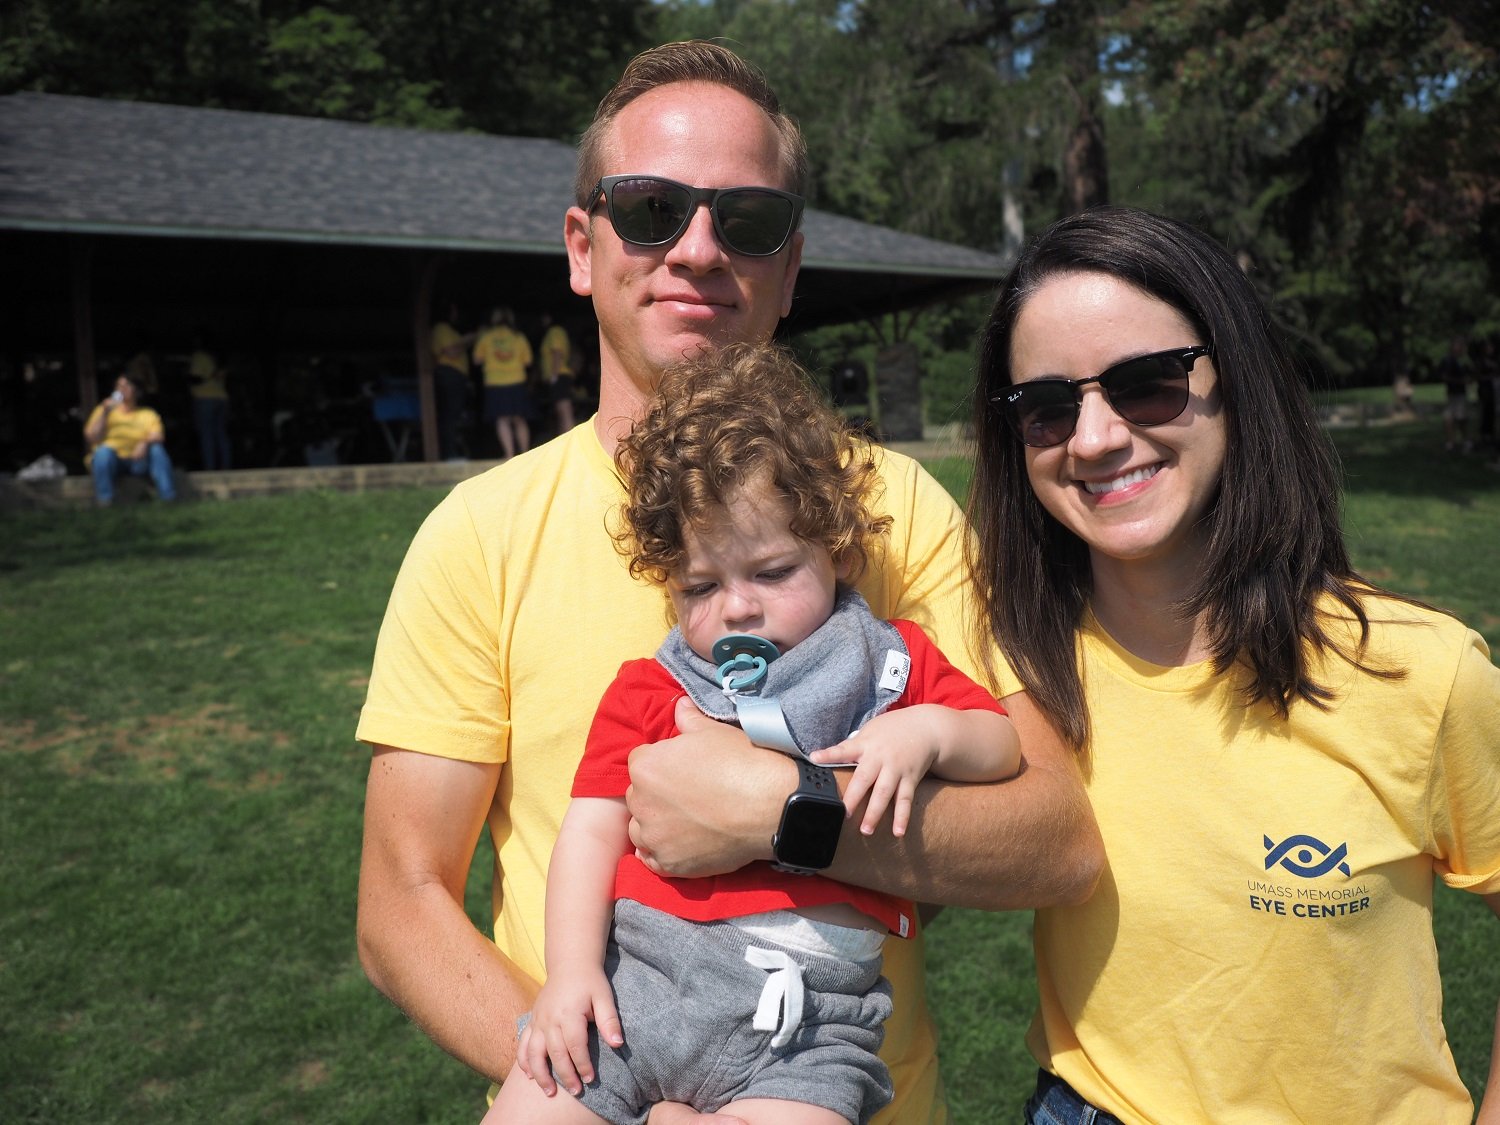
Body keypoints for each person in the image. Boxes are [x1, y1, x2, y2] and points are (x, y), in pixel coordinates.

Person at [355, 40, 1101, 1125]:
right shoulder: (477, 534)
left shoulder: (890, 508)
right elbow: (401, 905)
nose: (698, 248)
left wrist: (783, 814)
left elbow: (1057, 840)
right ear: (582, 247)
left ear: (790, 270)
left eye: (747, 220)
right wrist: (602, 1084)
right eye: (650, 209)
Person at [968, 205, 1500, 1124]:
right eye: (1047, 407)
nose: (1092, 438)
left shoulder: (1420, 671)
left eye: (1146, 384)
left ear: (1238, 377)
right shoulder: (1007, 663)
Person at [489, 345, 1021, 1124]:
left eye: (772, 572)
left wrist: (932, 733)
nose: (738, 606)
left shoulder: (889, 666)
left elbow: (1000, 744)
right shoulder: (652, 689)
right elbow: (590, 830)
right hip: (638, 991)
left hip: (806, 1027)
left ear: (838, 552)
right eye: (701, 586)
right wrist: (570, 973)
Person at [83, 368, 178, 505]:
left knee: (156, 449)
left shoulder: (148, 414)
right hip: (112, 461)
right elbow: (91, 438)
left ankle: (168, 498)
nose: (122, 389)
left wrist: (144, 443)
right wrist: (105, 413)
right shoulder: (103, 410)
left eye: (126, 385)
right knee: (102, 452)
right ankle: (105, 501)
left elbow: (158, 436)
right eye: (119, 386)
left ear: (137, 391)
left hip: (138, 461)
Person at [473, 305, 534, 457]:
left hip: (495, 383)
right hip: (516, 381)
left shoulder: (486, 337)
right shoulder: (518, 337)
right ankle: (525, 455)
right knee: (519, 419)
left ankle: (509, 455)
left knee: (502, 420)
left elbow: (476, 360)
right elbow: (528, 362)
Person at [431, 302, 474, 461]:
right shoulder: (441, 328)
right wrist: (468, 340)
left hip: (456, 376)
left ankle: (452, 452)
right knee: (449, 415)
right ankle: (450, 454)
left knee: (454, 415)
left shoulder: (450, 330)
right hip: (448, 375)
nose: (456, 314)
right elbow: (451, 352)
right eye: (454, 311)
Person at [187, 339, 231, 470]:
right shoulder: (218, 358)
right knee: (220, 433)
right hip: (221, 398)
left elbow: (195, 378)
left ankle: (210, 467)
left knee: (207, 434)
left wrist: (186, 377)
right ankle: (225, 466)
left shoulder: (199, 356)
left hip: (205, 398)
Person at [539, 312, 578, 436]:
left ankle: (570, 439)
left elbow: (557, 352)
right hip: (559, 376)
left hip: (559, 376)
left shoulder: (555, 331)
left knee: (564, 410)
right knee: (561, 411)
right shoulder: (557, 332)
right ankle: (565, 439)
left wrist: (554, 375)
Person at [1437, 336, 1471, 452]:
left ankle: (1459, 441)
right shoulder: (1448, 360)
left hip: (1459, 392)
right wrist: (1460, 381)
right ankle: (1453, 442)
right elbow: (1444, 377)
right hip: (1454, 393)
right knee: (1453, 418)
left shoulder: (1461, 360)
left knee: (1458, 418)